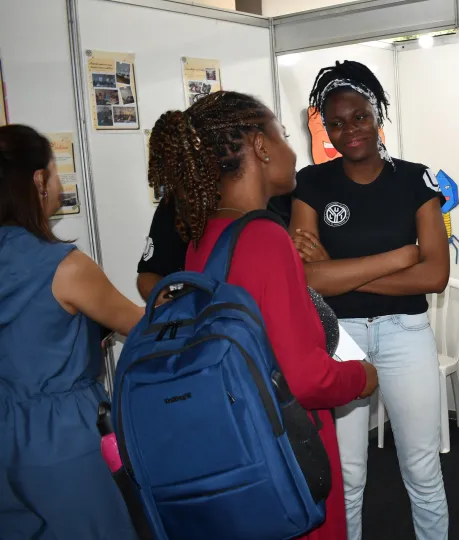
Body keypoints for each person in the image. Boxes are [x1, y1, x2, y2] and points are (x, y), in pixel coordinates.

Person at [148, 91, 377, 540]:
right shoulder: (264, 238)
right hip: (285, 449)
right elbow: (306, 378)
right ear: (260, 146)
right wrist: (362, 377)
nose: (290, 149)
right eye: (284, 135)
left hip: (235, 445)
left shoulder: (205, 235)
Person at [289, 60, 450, 540]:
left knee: (421, 465)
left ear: (377, 114)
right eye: (335, 123)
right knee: (347, 474)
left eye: (358, 116)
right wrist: (400, 258)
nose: (349, 130)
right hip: (339, 337)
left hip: (406, 333)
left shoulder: (415, 180)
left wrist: (340, 274)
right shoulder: (311, 182)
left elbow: (436, 274)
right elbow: (306, 278)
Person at [0, 124, 144, 539]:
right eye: (55, 171)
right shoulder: (65, 266)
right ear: (38, 180)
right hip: (65, 435)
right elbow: (136, 324)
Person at [136, 188, 291, 303]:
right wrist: (176, 312)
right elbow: (148, 276)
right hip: (207, 332)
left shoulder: (291, 199)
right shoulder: (181, 204)